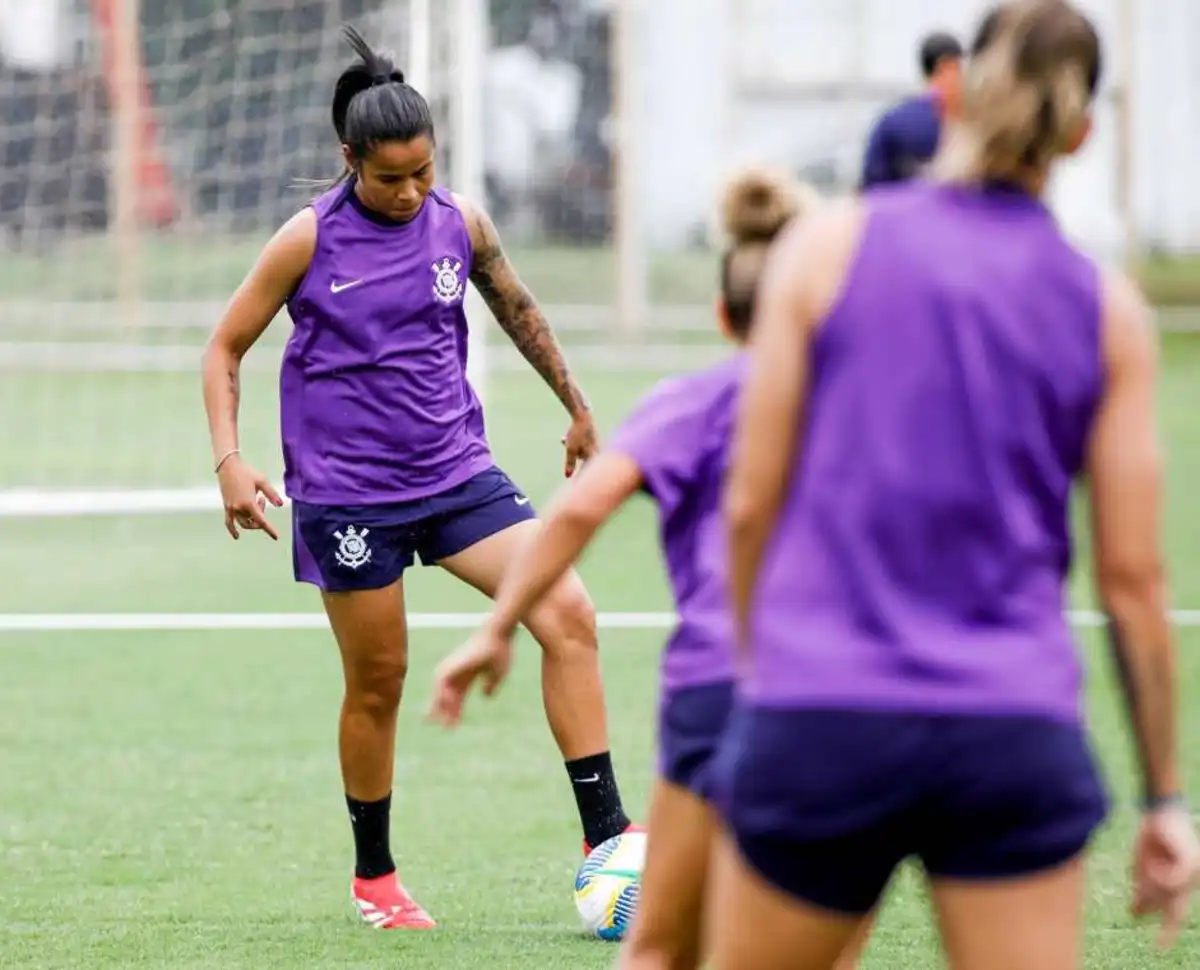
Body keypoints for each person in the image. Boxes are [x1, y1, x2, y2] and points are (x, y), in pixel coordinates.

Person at [713, 3, 1200, 969]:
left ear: (957, 95)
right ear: (1081, 130)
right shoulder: (1107, 310)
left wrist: (760, 678)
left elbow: (748, 505)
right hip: (1011, 734)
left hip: (822, 718)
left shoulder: (825, 249)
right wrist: (1163, 802)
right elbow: (1135, 584)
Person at [200, 25, 636, 930]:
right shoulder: (306, 240)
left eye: (424, 172)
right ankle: (376, 881)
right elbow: (225, 347)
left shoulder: (459, 223)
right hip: (348, 494)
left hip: (456, 473)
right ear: (349, 160)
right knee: (380, 679)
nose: (411, 192)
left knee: (570, 615)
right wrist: (229, 460)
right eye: (391, 177)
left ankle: (610, 843)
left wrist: (578, 404)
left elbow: (517, 304)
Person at [426, 170, 870, 969]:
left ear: (721, 317)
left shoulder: (686, 406)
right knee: (814, 945)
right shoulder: (865, 408)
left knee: (658, 946)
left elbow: (575, 514)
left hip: (715, 694)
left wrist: (496, 630)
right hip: (834, 699)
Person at [859, 30, 963, 189]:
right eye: (959, 68)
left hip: (894, 209)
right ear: (947, 66)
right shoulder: (966, 122)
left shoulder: (890, 121)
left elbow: (870, 186)